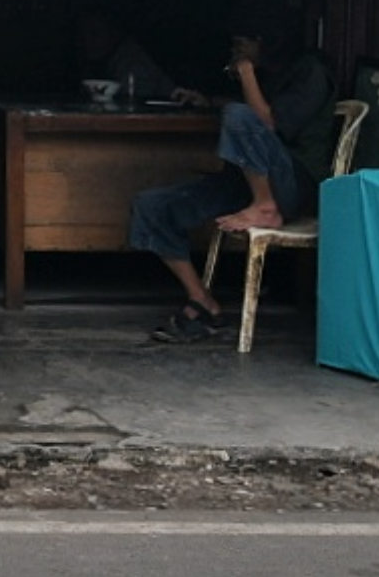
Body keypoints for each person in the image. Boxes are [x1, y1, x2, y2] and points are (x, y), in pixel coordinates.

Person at [133, 19, 338, 343]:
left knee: (239, 116)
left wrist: (245, 72)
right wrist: (208, 101)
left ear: (264, 40)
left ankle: (265, 207)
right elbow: (257, 109)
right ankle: (203, 302)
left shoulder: (311, 72)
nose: (235, 51)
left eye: (241, 44)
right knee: (153, 206)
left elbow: (268, 122)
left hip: (295, 185)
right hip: (250, 181)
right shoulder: (272, 72)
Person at [74, 11, 176, 103]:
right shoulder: (99, 63)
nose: (87, 41)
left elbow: (134, 105)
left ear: (114, 34)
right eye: (83, 35)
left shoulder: (134, 62)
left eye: (95, 34)